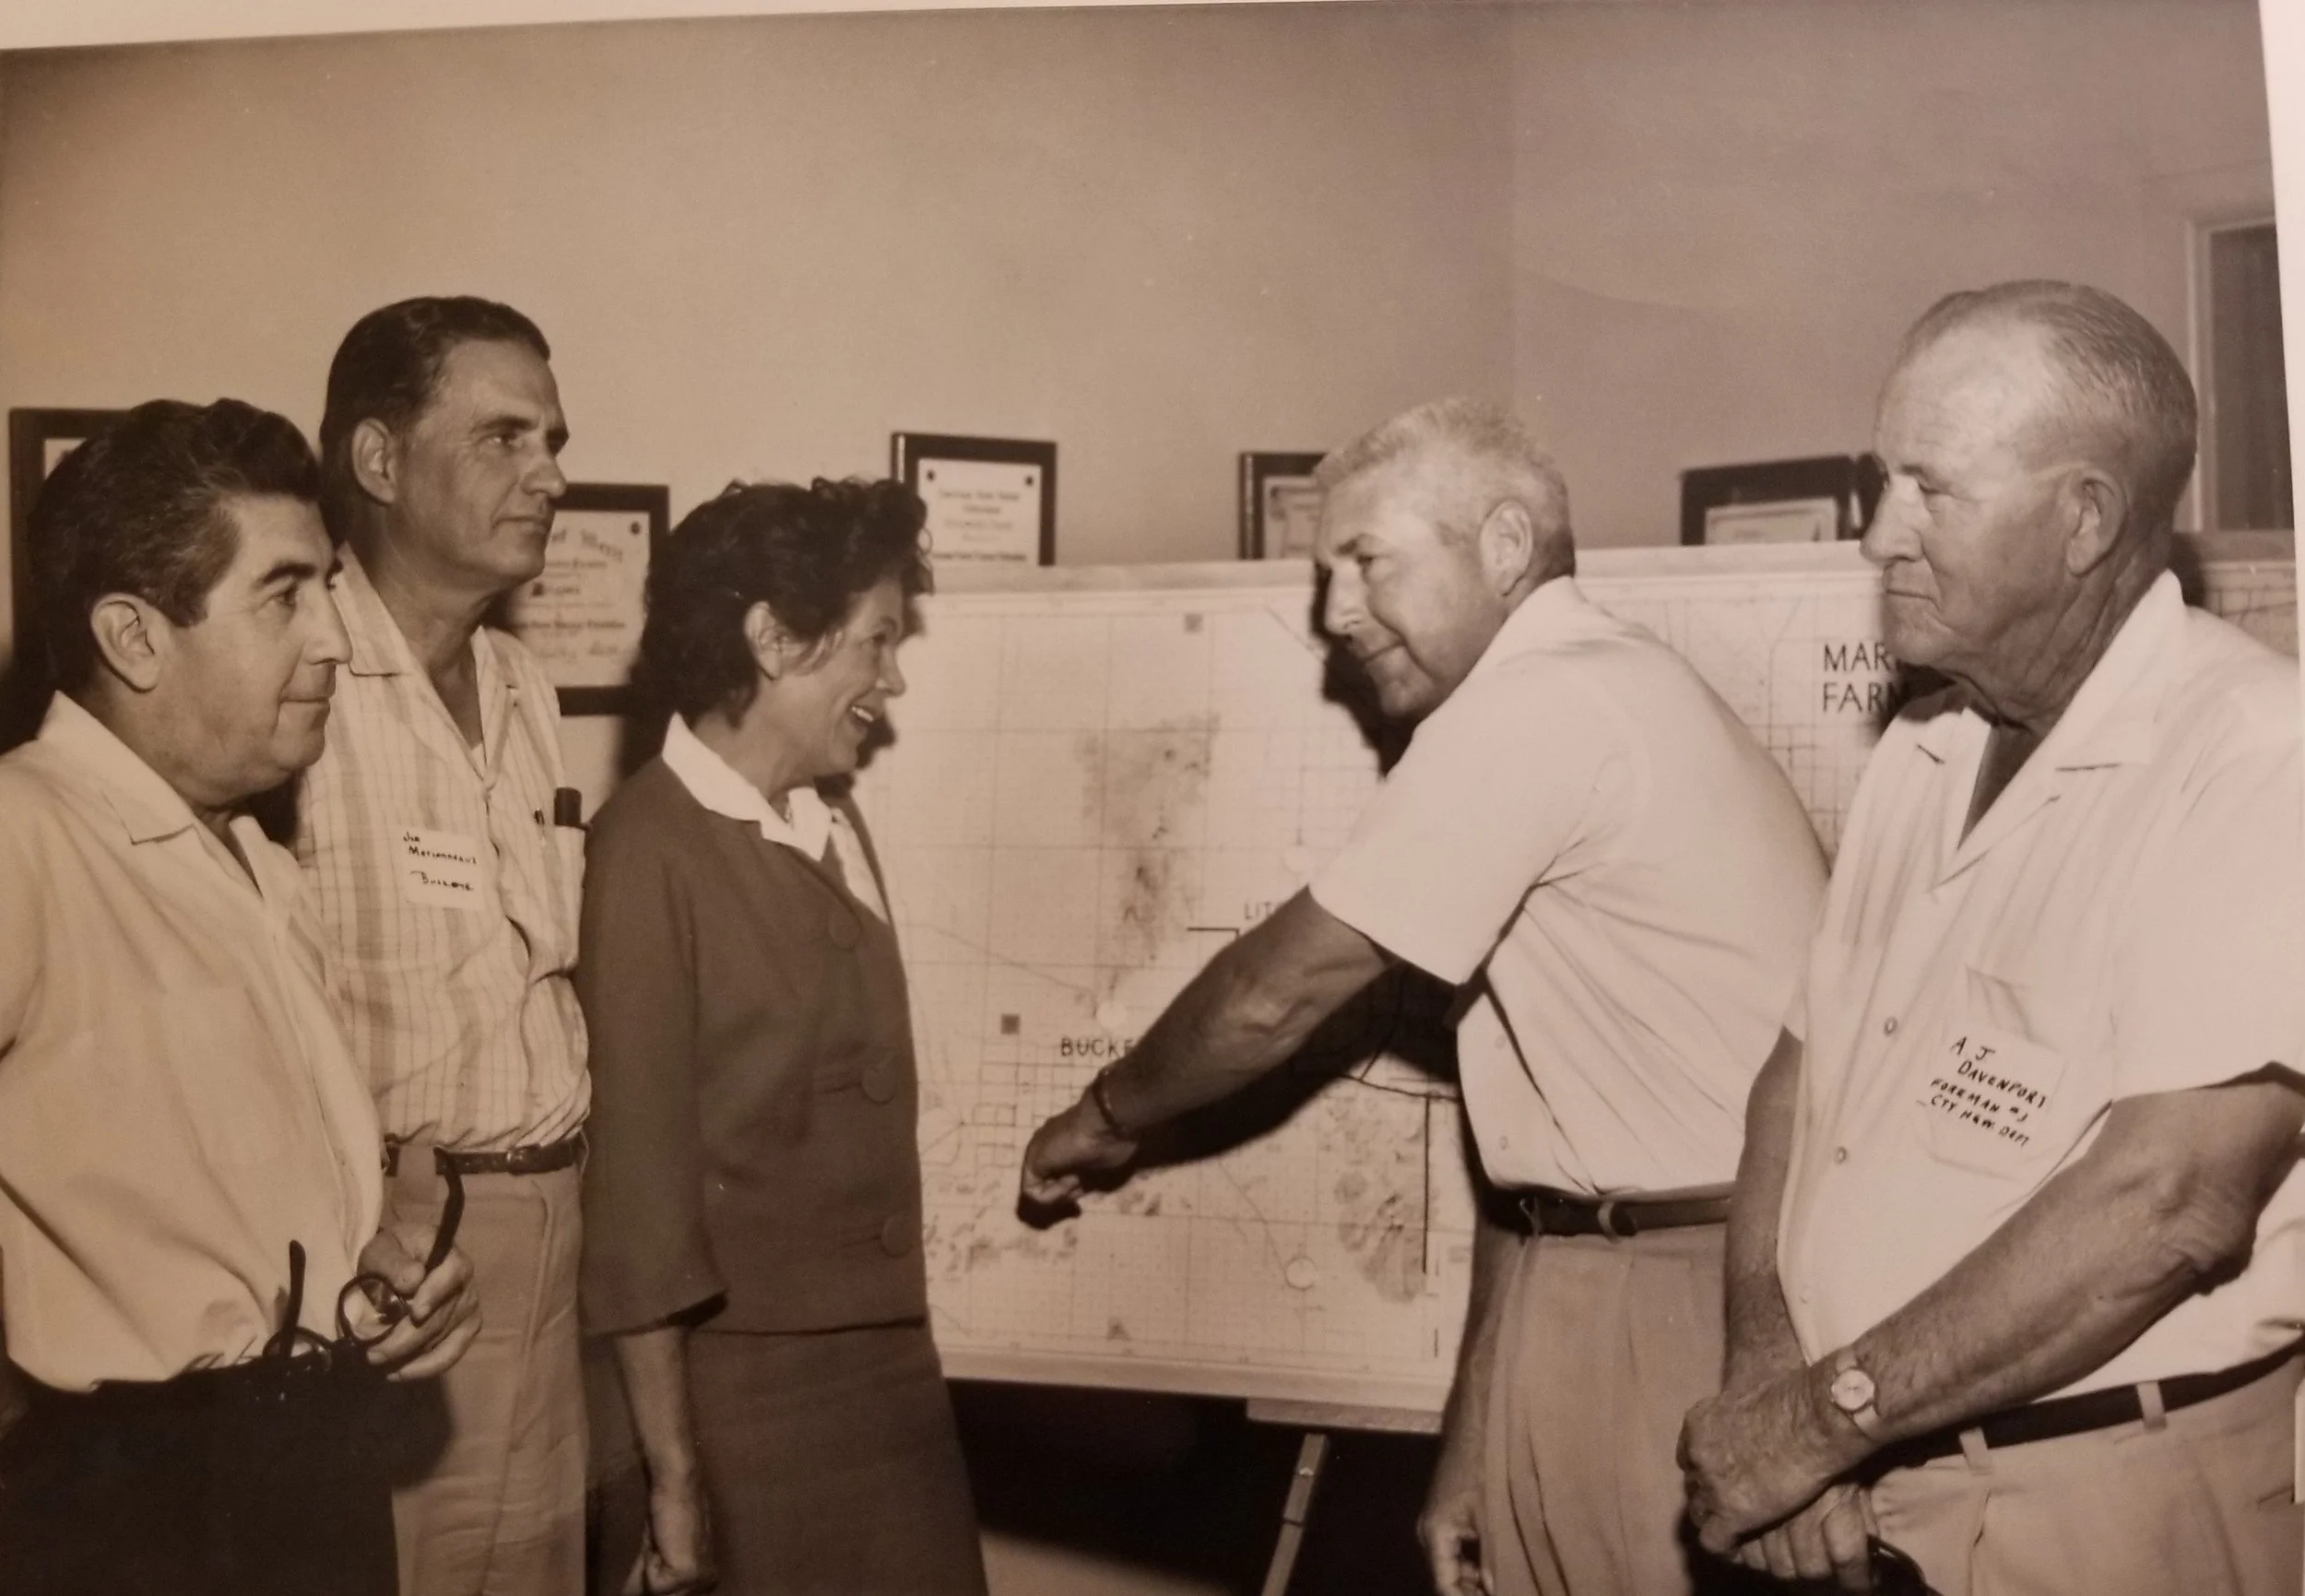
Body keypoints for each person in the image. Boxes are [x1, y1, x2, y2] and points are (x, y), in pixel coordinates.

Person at [1022, 397, 1828, 1596]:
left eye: (1367, 561)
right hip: (1604, 1272)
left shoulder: (1541, 704)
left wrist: (1102, 1116)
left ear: (1504, 545)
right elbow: (1538, 1169)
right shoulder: (1596, 685)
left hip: (1679, 1292)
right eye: (1325, 573)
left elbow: (1269, 995)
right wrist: (1474, 1443)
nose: (1335, 612)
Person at [1678, 280, 2305, 1596]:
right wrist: (1773, 1376)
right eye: (1882, 480)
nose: (1877, 536)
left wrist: (1812, 1425)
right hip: (1870, 1474)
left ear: (2084, 519)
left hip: (2100, 1506)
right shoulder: (1926, 744)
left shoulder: (2257, 754)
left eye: (1931, 489)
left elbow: (2171, 1201)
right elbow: (1802, 1079)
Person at [0, 398, 480, 1595]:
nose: (335, 640)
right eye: (283, 596)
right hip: (133, 1508)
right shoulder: (23, 833)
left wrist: (383, 1275)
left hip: (307, 1459)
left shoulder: (251, 856)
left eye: (328, 587)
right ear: (135, 636)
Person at [578, 478, 987, 1596]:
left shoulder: (832, 821)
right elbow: (639, 1218)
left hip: (889, 1382)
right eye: (876, 640)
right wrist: (673, 1479)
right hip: (737, 1408)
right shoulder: (645, 852)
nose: (893, 680)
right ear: (772, 638)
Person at [296, 295, 590, 1595]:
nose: (551, 475)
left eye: (553, 440)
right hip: (400, 1244)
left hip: (556, 1222)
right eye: (504, 437)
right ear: (378, 459)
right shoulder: (293, 675)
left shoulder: (526, 684)